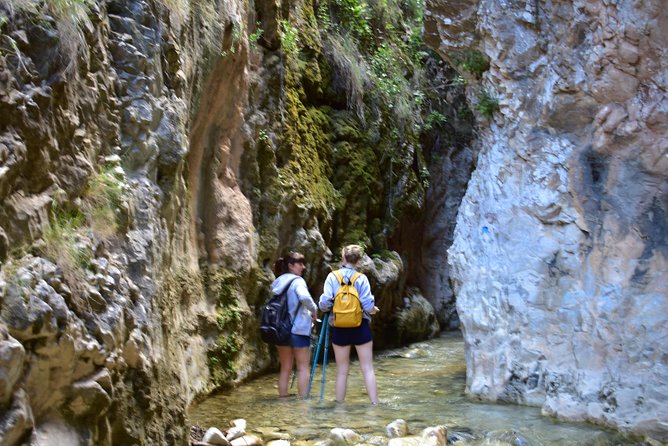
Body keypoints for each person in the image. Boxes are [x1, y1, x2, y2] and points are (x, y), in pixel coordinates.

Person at [318, 244, 380, 404]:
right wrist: (374, 310)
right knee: (367, 368)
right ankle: (374, 404)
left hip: (339, 327)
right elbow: (367, 306)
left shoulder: (332, 277)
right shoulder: (362, 279)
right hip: (360, 327)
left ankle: (340, 407)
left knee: (342, 371)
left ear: (343, 258)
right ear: (359, 261)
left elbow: (324, 304)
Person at [271, 252, 318, 398]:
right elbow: (304, 297)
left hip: (280, 330)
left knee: (285, 367)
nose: (303, 267)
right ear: (291, 266)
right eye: (300, 263)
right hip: (298, 330)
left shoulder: (278, 282)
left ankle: (283, 400)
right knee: (303, 367)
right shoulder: (297, 281)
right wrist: (314, 310)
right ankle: (303, 402)